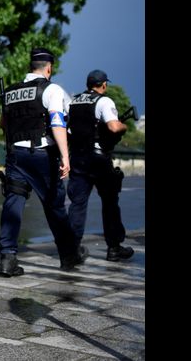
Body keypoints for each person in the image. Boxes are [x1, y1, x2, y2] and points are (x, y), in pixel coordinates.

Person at [0, 47, 87, 277]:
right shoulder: (51, 89)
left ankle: (7, 258)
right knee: (55, 205)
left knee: (13, 205)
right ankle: (68, 255)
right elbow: (57, 123)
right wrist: (65, 156)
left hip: (16, 155)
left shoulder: (12, 91)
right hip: (42, 154)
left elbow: (3, 124)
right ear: (49, 68)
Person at [66, 70, 134, 262]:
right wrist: (123, 126)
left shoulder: (74, 101)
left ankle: (71, 249)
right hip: (98, 158)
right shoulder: (104, 101)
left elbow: (69, 130)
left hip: (77, 157)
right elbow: (113, 127)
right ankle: (114, 248)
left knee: (77, 204)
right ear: (103, 84)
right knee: (110, 203)